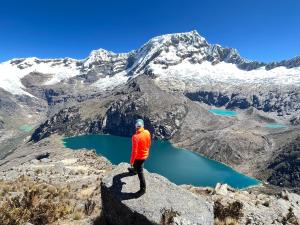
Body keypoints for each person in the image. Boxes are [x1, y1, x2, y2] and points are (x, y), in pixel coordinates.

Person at [128, 119, 151, 195]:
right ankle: (134, 170)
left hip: (139, 157)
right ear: (143, 125)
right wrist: (146, 151)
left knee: (140, 172)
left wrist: (131, 161)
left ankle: (143, 189)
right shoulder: (147, 132)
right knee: (137, 166)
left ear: (135, 126)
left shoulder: (135, 137)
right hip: (145, 155)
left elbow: (134, 151)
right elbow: (149, 143)